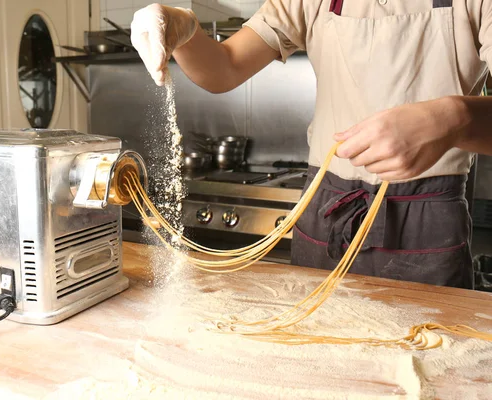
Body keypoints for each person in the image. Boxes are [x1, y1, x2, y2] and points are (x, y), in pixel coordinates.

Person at [130, 1, 492, 288]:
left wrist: (453, 117)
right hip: (325, 208)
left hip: (426, 219)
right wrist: (184, 31)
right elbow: (225, 68)